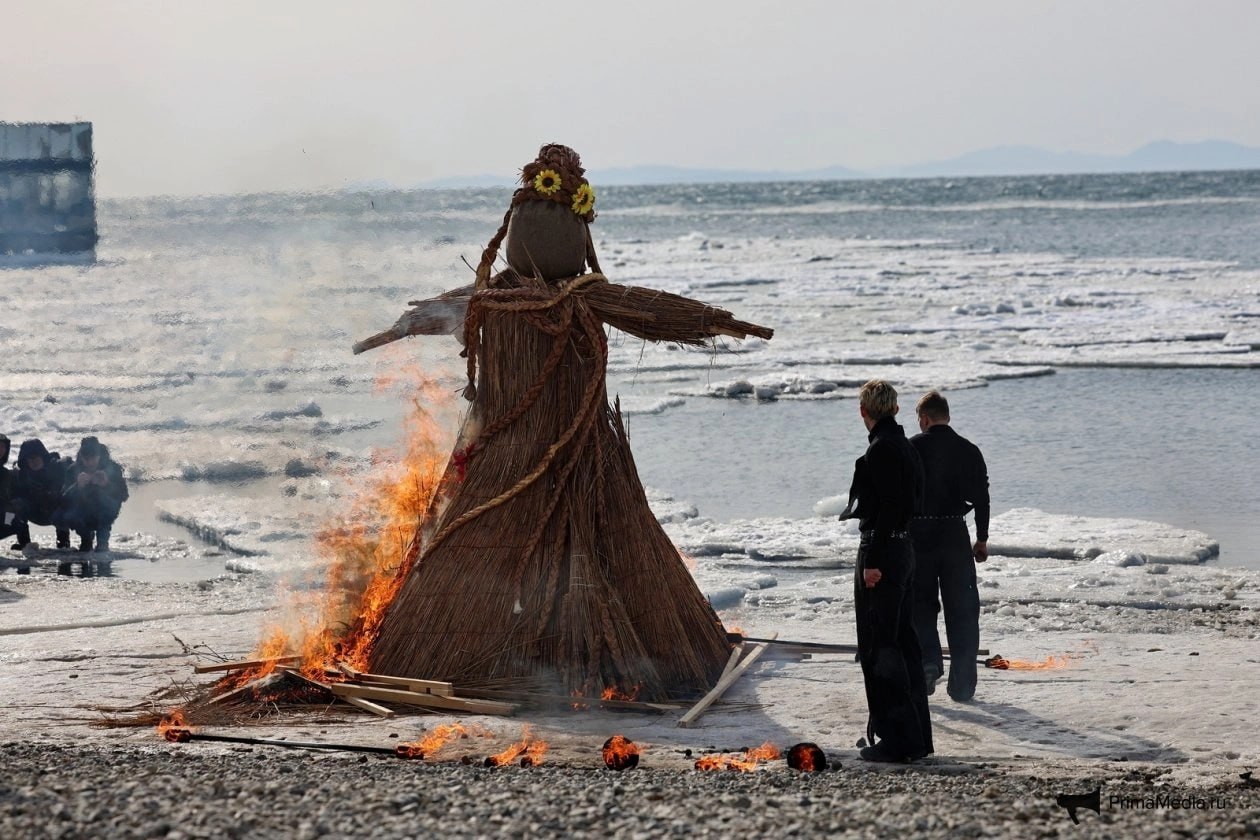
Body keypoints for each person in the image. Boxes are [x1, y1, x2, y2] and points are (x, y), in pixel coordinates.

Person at [839, 379, 933, 762]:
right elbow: (909, 501)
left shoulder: (882, 451)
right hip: (904, 548)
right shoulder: (907, 448)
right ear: (895, 409)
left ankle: (897, 740)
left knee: (880, 647)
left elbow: (888, 507)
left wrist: (874, 562)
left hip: (883, 550)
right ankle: (916, 739)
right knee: (903, 642)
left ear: (864, 412)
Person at [909, 390, 990, 702]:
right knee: (963, 610)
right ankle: (962, 684)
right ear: (948, 416)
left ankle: (929, 661)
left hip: (919, 534)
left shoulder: (912, 448)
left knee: (921, 605)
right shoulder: (969, 450)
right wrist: (981, 539)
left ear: (925, 418)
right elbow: (982, 498)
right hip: (955, 534)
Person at [57, 436, 128, 552]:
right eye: (86, 458)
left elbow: (124, 495)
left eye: (93, 457)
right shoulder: (73, 470)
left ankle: (103, 541)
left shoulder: (113, 468)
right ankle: (86, 539)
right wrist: (77, 486)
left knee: (105, 503)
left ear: (99, 455)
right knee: (61, 515)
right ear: (81, 456)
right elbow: (63, 499)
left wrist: (107, 484)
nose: (90, 462)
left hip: (105, 510)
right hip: (82, 510)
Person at [10, 438, 71, 550]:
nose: (34, 461)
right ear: (26, 461)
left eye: (36, 457)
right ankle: (25, 544)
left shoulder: (58, 468)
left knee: (66, 502)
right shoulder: (20, 475)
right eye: (30, 458)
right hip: (35, 512)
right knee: (15, 506)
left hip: (56, 512)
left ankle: (64, 542)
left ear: (43, 456)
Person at [0, 435, 19, 545]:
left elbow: (9, 500)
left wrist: (8, 522)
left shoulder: (6, 473)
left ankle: (27, 548)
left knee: (18, 524)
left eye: (3, 446)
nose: (1, 449)